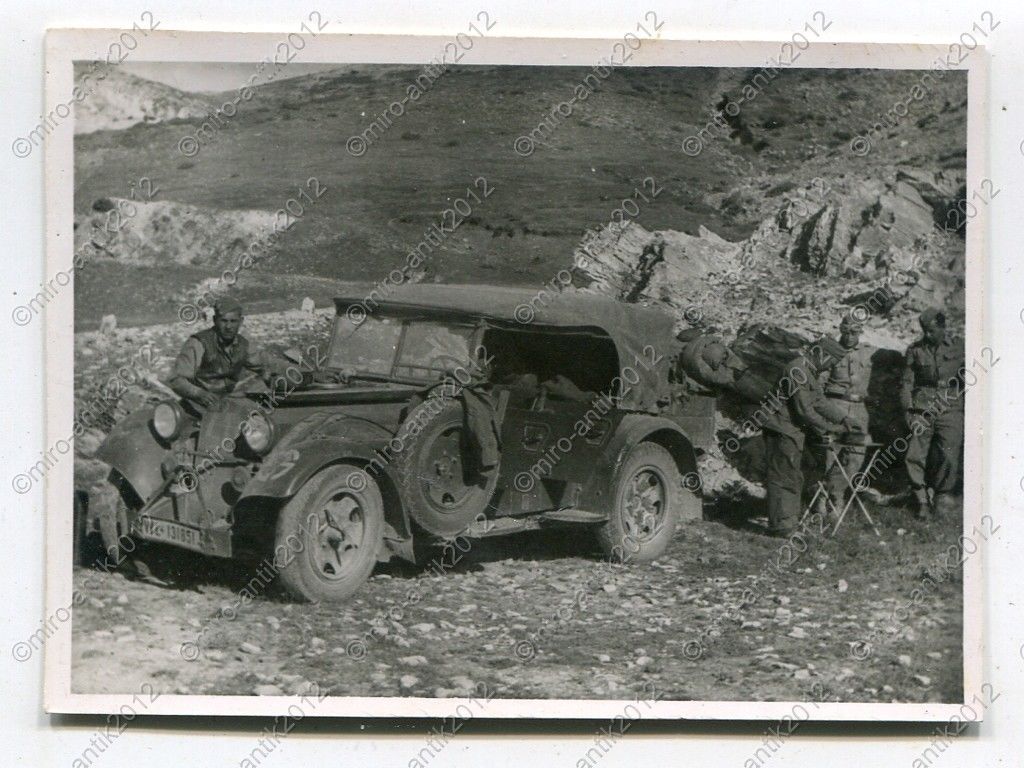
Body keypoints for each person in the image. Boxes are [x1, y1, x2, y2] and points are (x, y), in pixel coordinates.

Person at [759, 353, 846, 536]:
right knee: (784, 476)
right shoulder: (797, 370)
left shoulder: (808, 370)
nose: (831, 366)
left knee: (792, 476)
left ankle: (786, 523)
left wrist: (844, 418)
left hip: (790, 430)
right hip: (781, 429)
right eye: (831, 361)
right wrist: (831, 427)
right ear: (821, 355)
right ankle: (782, 527)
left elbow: (819, 402)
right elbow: (804, 410)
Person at [900, 308, 965, 518]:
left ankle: (941, 495)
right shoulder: (915, 350)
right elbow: (907, 383)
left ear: (942, 328)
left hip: (950, 407)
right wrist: (907, 411)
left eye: (931, 331)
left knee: (948, 454)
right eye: (925, 331)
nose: (927, 335)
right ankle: (920, 500)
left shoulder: (959, 347)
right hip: (923, 409)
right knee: (914, 455)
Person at [168, 297, 281, 411]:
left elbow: (267, 363)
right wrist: (199, 393)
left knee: (262, 418)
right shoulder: (198, 343)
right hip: (198, 403)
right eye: (223, 321)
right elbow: (176, 379)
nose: (228, 327)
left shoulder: (243, 345)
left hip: (229, 401)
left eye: (233, 321)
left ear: (241, 321)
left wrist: (272, 374)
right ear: (215, 320)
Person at [821, 314, 874, 515]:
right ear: (840, 330)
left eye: (854, 332)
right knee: (830, 453)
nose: (849, 336)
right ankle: (823, 497)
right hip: (835, 406)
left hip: (859, 410)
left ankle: (837, 496)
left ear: (860, 332)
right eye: (845, 332)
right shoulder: (831, 351)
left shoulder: (868, 353)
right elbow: (820, 384)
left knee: (856, 456)